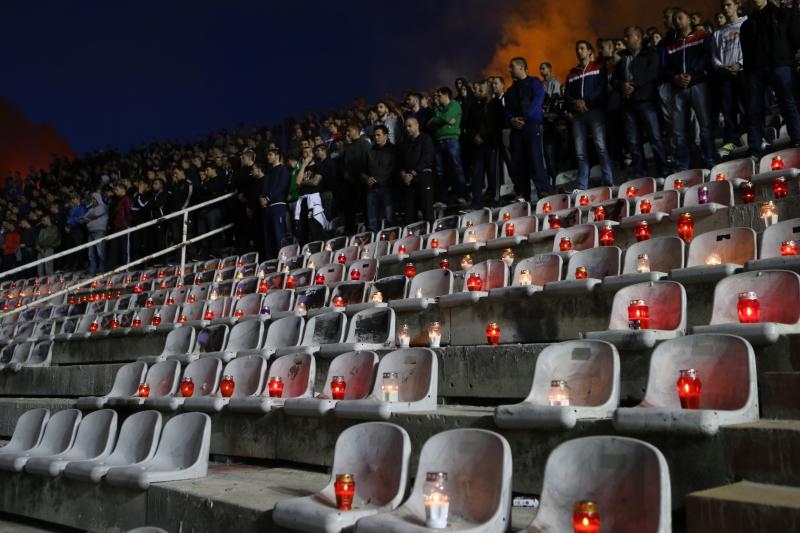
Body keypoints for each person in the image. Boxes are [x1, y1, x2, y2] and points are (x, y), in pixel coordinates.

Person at [740, 0, 800, 157]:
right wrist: (747, 73)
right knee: (754, 110)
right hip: (756, 69)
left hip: (780, 64)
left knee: (788, 103)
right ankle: (754, 150)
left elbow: (796, 38)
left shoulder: (783, 14)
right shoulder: (747, 25)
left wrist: (791, 60)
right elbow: (746, 52)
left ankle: (797, 141)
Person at [614, 26, 670, 177]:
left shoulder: (650, 53)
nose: (625, 39)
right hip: (628, 104)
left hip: (646, 101)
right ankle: (641, 173)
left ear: (638, 37)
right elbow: (614, 79)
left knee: (655, 137)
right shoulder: (623, 57)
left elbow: (653, 72)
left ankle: (664, 170)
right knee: (633, 142)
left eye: (628, 36)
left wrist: (634, 84)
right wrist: (622, 85)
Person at [665, 7, 716, 170]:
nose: (677, 21)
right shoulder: (671, 45)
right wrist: (675, 77)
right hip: (678, 89)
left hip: (698, 84)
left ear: (689, 19)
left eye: (680, 17)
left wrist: (692, 74)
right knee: (678, 130)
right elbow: (666, 67)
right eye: (674, 19)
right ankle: (682, 166)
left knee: (705, 125)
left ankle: (710, 159)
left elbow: (707, 57)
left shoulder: (702, 37)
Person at [565, 40, 614, 190]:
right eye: (577, 49)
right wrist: (575, 103)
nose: (579, 51)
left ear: (589, 51)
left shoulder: (598, 68)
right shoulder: (572, 73)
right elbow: (567, 94)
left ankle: (608, 181)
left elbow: (601, 88)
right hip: (578, 115)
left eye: (582, 48)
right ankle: (582, 185)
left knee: (601, 146)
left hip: (595, 112)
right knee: (580, 151)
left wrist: (586, 102)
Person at [505, 57, 549, 201]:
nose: (510, 69)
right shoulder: (510, 90)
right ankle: (525, 195)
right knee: (519, 162)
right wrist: (512, 119)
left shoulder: (534, 82)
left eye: (512, 66)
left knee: (535, 158)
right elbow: (508, 109)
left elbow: (537, 100)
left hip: (532, 125)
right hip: (516, 129)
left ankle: (543, 191)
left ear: (521, 67)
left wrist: (525, 117)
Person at [713, 0, 747, 158]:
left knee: (748, 106)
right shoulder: (718, 33)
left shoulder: (745, 24)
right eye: (723, 6)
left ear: (737, 5)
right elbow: (714, 57)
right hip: (725, 75)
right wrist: (722, 67)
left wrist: (740, 64)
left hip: (743, 72)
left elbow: (751, 47)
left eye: (729, 5)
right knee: (728, 109)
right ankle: (731, 140)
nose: (726, 8)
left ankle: (753, 135)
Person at [463, 80, 502, 207]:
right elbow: (467, 123)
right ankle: (476, 202)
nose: (478, 92)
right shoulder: (474, 105)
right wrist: (474, 136)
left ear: (489, 91)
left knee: (493, 173)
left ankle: (495, 199)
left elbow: (497, 124)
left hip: (492, 144)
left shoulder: (496, 104)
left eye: (481, 90)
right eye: (478, 89)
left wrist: (483, 136)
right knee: (477, 174)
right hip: (477, 145)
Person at [427, 87, 468, 206]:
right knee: (440, 171)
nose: (437, 98)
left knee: (457, 167)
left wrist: (437, 120)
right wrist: (441, 121)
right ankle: (443, 199)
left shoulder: (454, 105)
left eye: (439, 95)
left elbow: (444, 118)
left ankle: (463, 194)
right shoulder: (438, 108)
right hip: (439, 142)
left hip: (451, 140)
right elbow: (430, 124)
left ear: (446, 95)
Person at [399, 117, 436, 224]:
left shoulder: (426, 138)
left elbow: (427, 158)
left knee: (427, 210)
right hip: (409, 181)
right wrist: (403, 174)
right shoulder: (405, 144)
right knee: (409, 215)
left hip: (423, 177)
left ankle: (430, 233)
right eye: (406, 127)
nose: (407, 128)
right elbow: (400, 162)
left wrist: (412, 173)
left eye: (410, 126)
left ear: (417, 125)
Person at [361, 125, 398, 232]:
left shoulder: (394, 150)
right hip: (372, 189)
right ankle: (373, 240)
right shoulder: (370, 151)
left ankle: (393, 239)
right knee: (372, 221)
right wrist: (367, 179)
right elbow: (362, 170)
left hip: (388, 188)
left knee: (390, 218)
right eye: (374, 135)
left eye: (378, 135)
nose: (376, 137)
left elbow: (395, 169)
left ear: (386, 135)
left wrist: (382, 180)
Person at [258, 149, 290, 259]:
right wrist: (261, 198)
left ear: (277, 156)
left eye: (270, 154)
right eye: (267, 154)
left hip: (278, 205)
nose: (268, 157)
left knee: (279, 234)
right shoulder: (269, 172)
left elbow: (282, 187)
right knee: (268, 237)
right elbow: (263, 187)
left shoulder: (283, 169)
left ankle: (283, 261)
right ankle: (271, 261)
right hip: (267, 207)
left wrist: (267, 198)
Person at [81, 189, 109, 275]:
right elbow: (82, 219)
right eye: (92, 199)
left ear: (98, 198)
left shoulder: (103, 207)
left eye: (94, 198)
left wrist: (88, 218)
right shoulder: (91, 209)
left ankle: (102, 270)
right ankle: (92, 272)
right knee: (91, 254)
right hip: (91, 232)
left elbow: (96, 214)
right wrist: (90, 218)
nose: (92, 200)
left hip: (100, 231)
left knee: (101, 253)